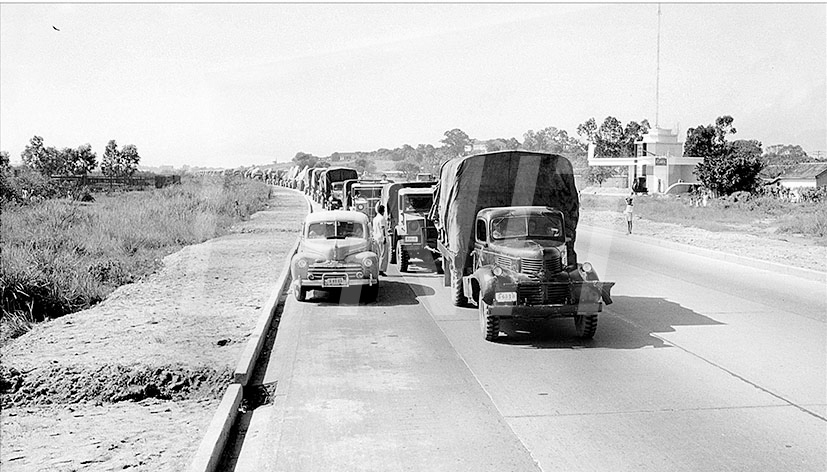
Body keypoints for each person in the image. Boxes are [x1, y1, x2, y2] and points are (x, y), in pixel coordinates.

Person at [372, 204, 389, 275]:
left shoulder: (375, 219)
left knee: (378, 254)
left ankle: (377, 268)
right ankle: (381, 269)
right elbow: (382, 228)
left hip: (376, 238)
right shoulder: (382, 218)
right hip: (381, 238)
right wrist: (384, 237)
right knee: (383, 254)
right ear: (383, 211)